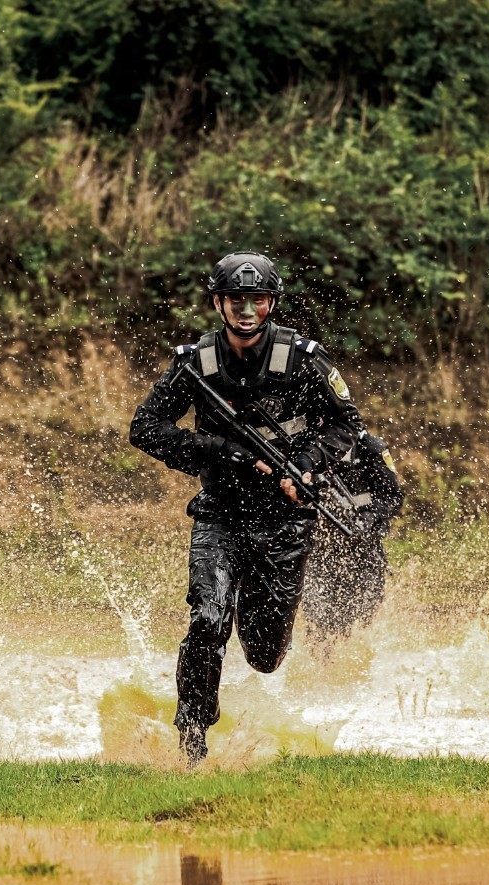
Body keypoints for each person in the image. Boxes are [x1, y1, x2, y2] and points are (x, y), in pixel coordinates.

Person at [130, 251, 361, 765]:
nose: (247, 310)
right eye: (237, 299)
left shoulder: (302, 358)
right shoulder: (195, 362)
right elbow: (144, 430)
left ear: (271, 302)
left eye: (257, 299)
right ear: (219, 302)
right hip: (220, 513)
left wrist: (303, 466)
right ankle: (191, 740)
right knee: (207, 619)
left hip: (284, 520)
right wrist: (221, 452)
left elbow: (347, 424)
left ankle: (256, 626)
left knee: (264, 654)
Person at [301, 429, 404, 645]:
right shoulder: (305, 446)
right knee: (318, 625)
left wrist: (371, 515)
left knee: (361, 623)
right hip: (319, 551)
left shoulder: (369, 447)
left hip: (364, 550)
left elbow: (393, 496)